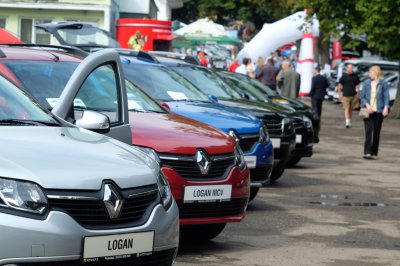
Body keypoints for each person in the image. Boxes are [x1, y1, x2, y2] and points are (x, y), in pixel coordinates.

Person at [360, 65, 390, 159]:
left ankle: (374, 152)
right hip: (368, 111)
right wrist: (367, 105)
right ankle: (367, 152)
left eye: (371, 72)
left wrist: (386, 107)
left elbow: (386, 97)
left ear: (376, 73)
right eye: (369, 72)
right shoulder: (366, 83)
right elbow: (362, 97)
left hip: (379, 111)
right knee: (368, 131)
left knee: (376, 132)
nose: (369, 74)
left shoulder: (383, 84)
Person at [337, 64, 360, 128]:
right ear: (347, 69)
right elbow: (339, 86)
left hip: (353, 95)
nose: (350, 69)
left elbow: (358, 86)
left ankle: (349, 121)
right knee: (346, 108)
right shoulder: (343, 77)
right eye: (349, 68)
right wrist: (339, 94)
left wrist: (358, 94)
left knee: (351, 109)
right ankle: (347, 122)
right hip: (345, 95)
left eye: (351, 68)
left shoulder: (356, 76)